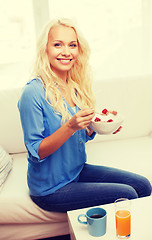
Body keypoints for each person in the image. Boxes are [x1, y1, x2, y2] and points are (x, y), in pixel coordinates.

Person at [18, 18, 151, 213]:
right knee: (128, 195)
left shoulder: (73, 86)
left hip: (77, 171)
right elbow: (36, 152)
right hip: (51, 189)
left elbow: (77, 137)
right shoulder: (33, 93)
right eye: (57, 45)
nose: (66, 52)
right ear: (45, 49)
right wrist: (70, 126)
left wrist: (98, 124)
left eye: (72, 45)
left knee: (143, 185)